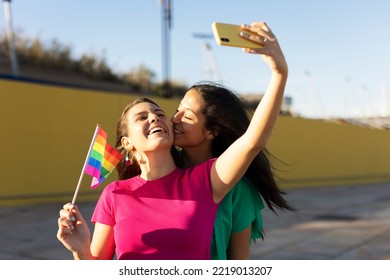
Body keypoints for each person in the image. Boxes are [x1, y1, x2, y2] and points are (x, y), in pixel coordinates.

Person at [57, 21, 288, 260]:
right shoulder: (114, 194)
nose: (158, 119)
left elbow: (252, 140)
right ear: (127, 143)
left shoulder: (204, 181)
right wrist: (80, 250)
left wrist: (279, 74)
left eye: (159, 114)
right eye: (142, 117)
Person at [171, 82, 294, 260]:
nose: (175, 118)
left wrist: (279, 74)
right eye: (177, 110)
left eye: (187, 117)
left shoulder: (238, 190)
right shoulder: (160, 169)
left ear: (212, 132)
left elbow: (239, 261)